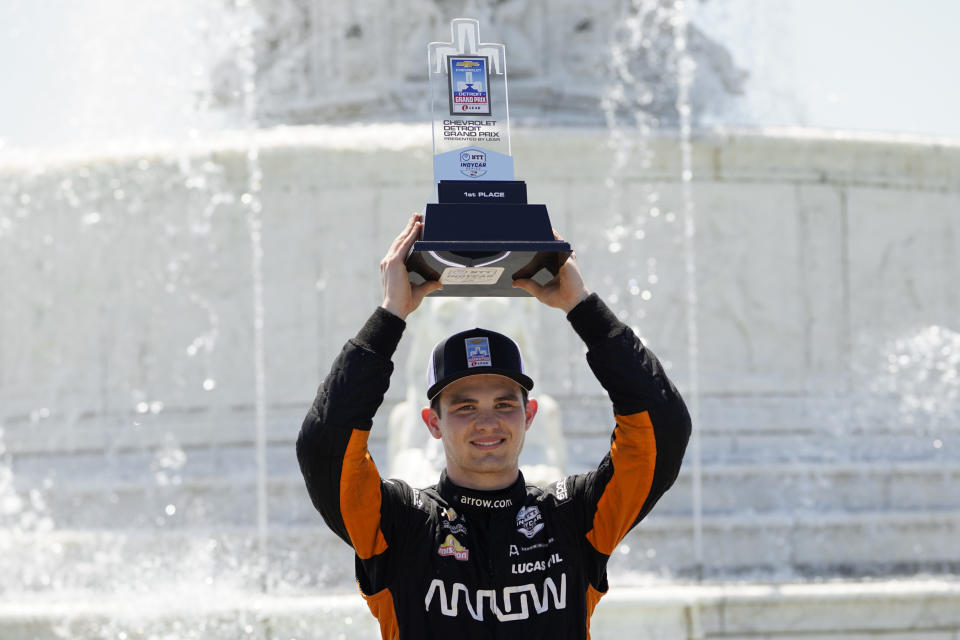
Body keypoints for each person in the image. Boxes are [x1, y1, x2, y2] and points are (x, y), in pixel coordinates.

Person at [297, 213, 691, 639]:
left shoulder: (575, 517)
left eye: (504, 403)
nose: (487, 421)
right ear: (432, 422)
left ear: (530, 415)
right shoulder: (398, 525)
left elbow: (661, 428)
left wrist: (583, 308)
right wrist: (391, 314)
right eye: (465, 407)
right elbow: (325, 446)